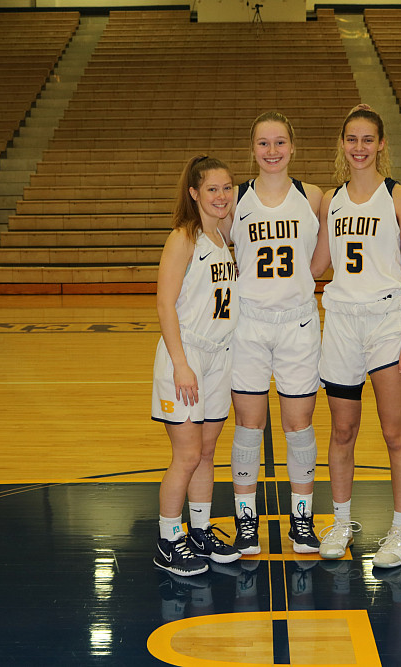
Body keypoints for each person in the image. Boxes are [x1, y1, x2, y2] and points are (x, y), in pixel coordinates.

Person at [310, 104, 401, 569]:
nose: (359, 147)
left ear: (380, 145)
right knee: (342, 431)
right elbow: (317, 267)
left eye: (367, 140)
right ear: (342, 144)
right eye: (351, 139)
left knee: (395, 432)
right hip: (339, 321)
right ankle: (341, 522)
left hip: (385, 321)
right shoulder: (330, 201)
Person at [224, 111, 325, 555]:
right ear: (252, 149)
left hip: (299, 323)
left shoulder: (313, 196)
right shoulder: (235, 199)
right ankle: (247, 524)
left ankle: (300, 522)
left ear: (293, 147)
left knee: (298, 425)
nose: (271, 151)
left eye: (279, 142)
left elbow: (321, 260)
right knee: (248, 425)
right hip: (247, 323)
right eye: (263, 143)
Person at [152, 155, 243, 576]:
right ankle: (168, 539)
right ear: (194, 193)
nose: (222, 196)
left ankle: (200, 530)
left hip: (219, 356)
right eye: (212, 189)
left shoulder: (224, 237)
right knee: (186, 455)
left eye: (227, 187)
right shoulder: (183, 238)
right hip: (186, 355)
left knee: (207, 452)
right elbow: (165, 304)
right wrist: (180, 365)